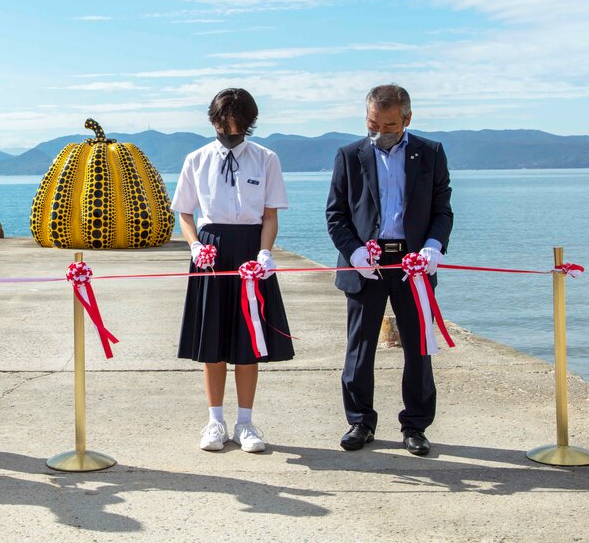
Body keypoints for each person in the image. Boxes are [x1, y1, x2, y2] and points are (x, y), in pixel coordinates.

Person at [325, 83, 453, 456]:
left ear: (407, 119)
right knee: (360, 349)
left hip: (413, 266)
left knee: (418, 349)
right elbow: (336, 215)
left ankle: (415, 425)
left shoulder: (430, 153)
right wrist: (354, 252)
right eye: (372, 124)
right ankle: (360, 421)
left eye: (389, 125)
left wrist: (433, 246)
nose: (379, 132)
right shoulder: (349, 155)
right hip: (366, 266)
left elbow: (442, 209)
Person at [172, 88, 295, 453]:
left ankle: (245, 423)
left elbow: (270, 215)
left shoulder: (266, 159)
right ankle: (214, 421)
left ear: (249, 125)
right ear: (212, 122)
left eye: (238, 128)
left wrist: (265, 252)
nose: (230, 134)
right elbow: (185, 213)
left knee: (247, 341)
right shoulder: (196, 159)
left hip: (250, 252)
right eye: (223, 127)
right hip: (210, 251)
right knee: (212, 340)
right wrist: (195, 246)